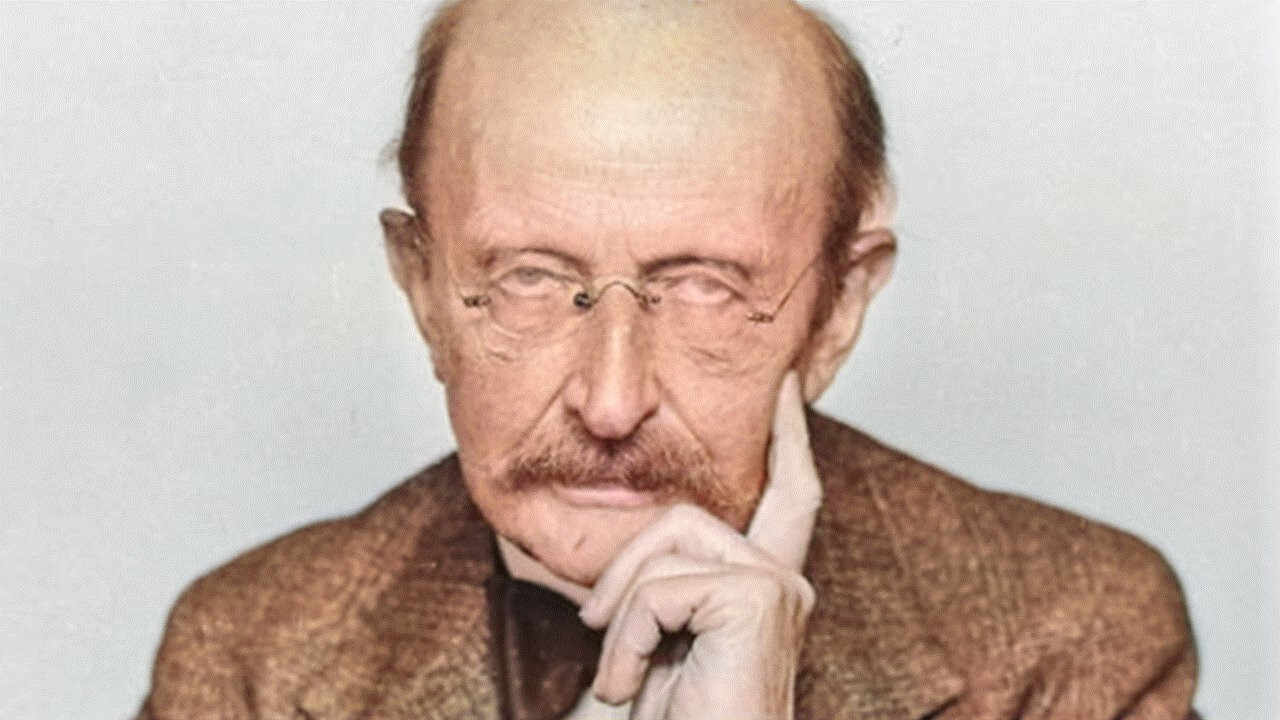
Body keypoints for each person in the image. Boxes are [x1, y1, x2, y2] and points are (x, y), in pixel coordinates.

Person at [138, 1, 1198, 718]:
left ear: (835, 310)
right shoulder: (247, 655)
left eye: (706, 288)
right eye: (530, 279)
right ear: (423, 290)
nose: (610, 404)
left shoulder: (1075, 643)